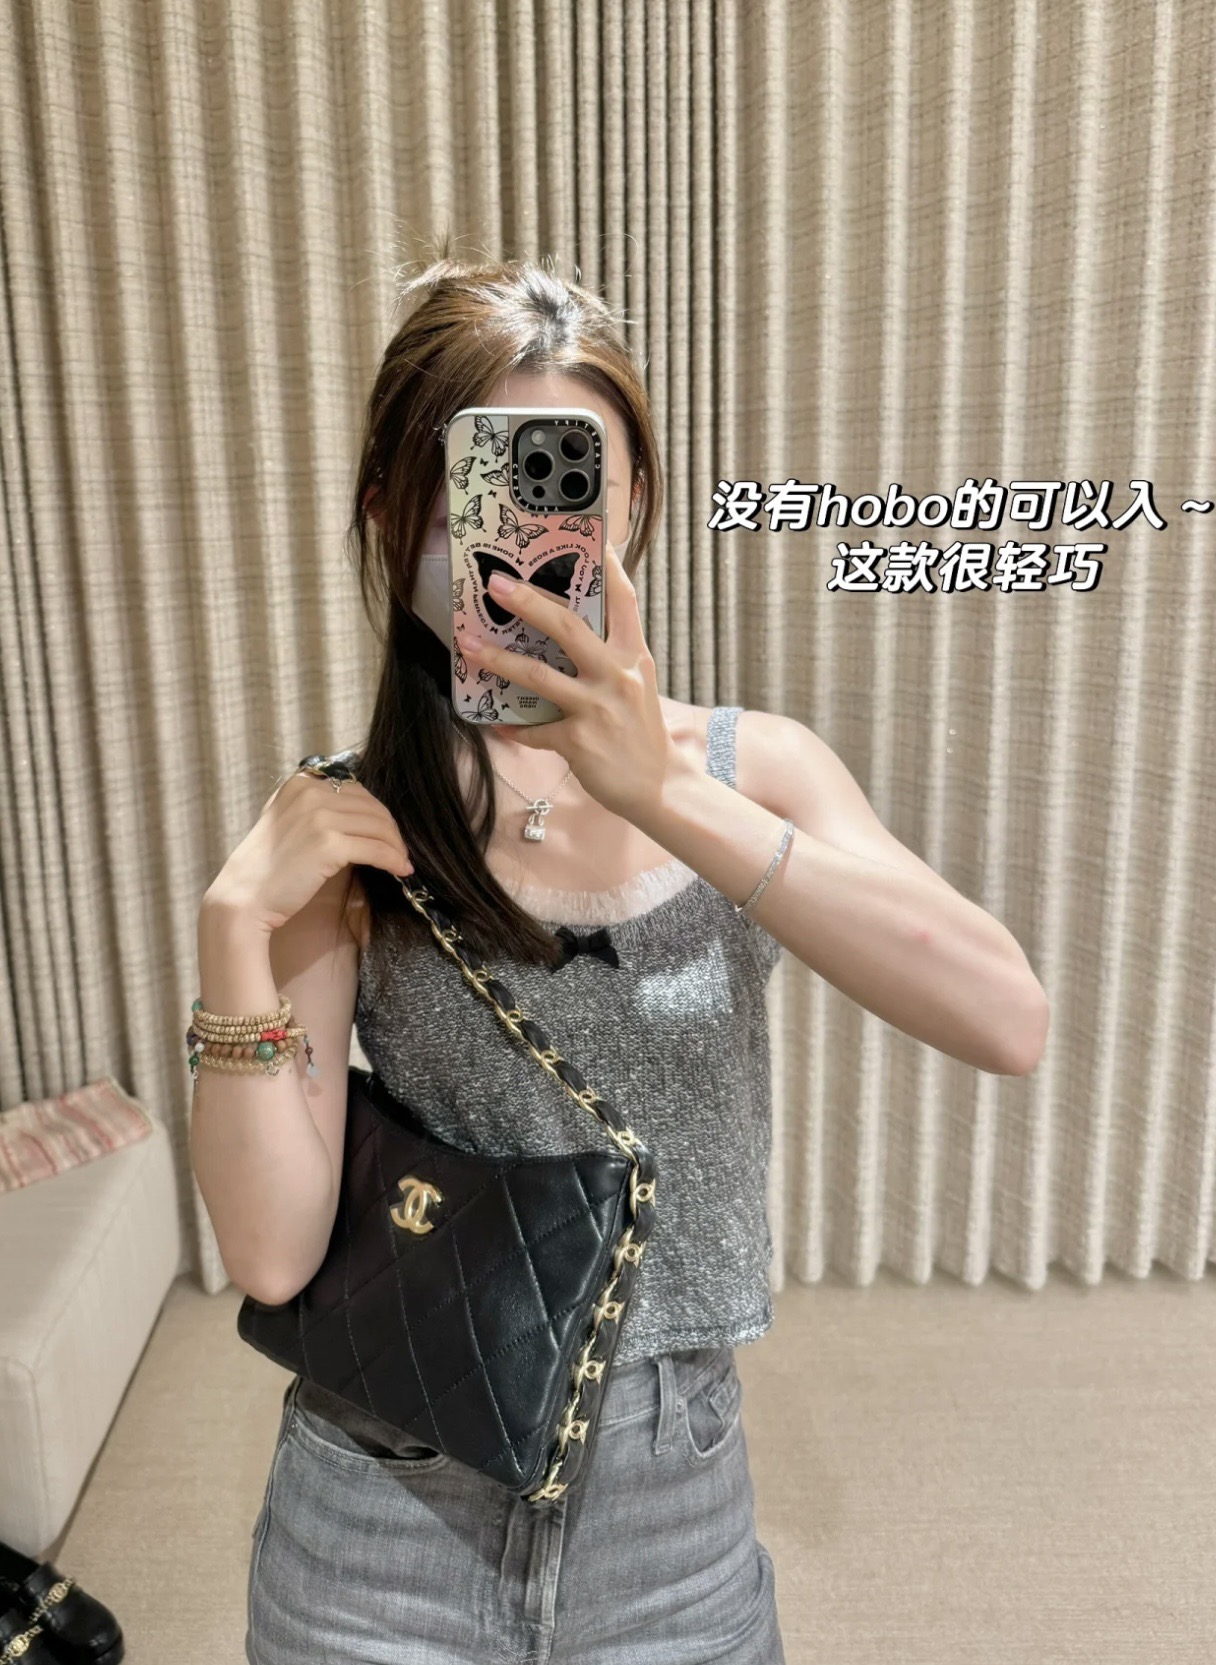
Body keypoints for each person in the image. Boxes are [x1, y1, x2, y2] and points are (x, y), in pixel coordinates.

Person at [190, 247, 1048, 1665]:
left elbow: (1005, 1015)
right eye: (473, 498)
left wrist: (666, 795)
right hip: (378, 1519)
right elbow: (272, 1253)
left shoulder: (751, 771)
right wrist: (233, 933)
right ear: (390, 515)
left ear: (632, 501)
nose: (523, 543)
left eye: (569, 486)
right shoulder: (347, 826)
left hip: (672, 1528)